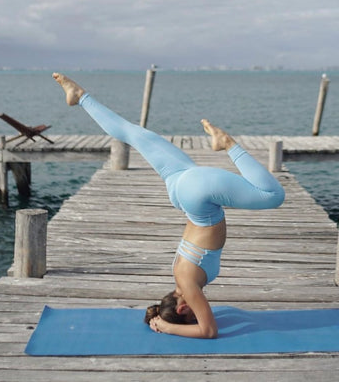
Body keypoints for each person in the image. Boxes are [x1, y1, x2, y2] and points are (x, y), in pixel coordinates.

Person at [53, 73, 285, 339]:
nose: (200, 310)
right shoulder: (179, 276)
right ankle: (80, 97)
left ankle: (228, 144)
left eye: (192, 314)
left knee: (272, 196)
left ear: (184, 307)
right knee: (133, 134)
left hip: (197, 196)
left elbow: (209, 331)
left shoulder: (187, 283)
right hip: (180, 188)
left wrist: (166, 326)